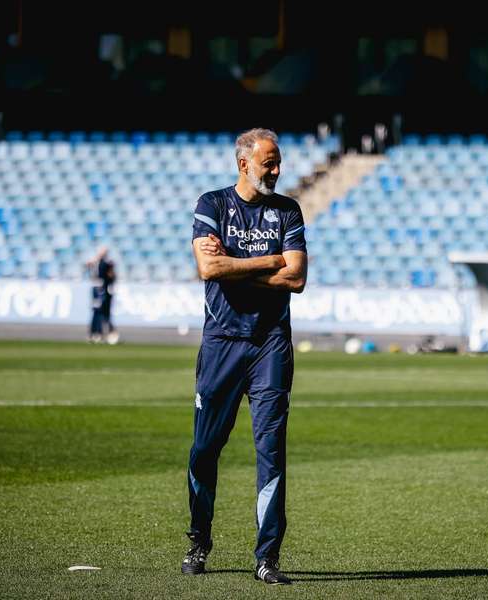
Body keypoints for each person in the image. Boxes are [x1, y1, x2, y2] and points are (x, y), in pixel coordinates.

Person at [182, 128, 307, 585]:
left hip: (271, 344)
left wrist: (234, 267)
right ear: (244, 163)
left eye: (278, 162)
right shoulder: (212, 205)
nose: (276, 170)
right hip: (222, 344)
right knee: (204, 449)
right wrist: (268, 261)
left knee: (271, 453)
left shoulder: (288, 210)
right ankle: (199, 540)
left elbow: (296, 280)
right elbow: (208, 268)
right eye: (268, 162)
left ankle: (267, 558)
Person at [86, 246, 119, 345]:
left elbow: (112, 277)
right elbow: (88, 265)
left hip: (103, 290)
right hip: (97, 289)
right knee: (97, 312)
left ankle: (103, 333)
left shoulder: (107, 263)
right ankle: (95, 333)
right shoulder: (96, 262)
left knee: (103, 313)